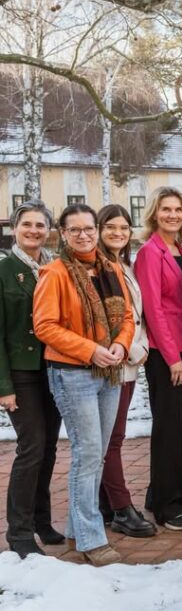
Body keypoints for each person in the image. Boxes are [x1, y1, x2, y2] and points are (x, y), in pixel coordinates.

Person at [33, 203, 135, 565]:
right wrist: (90, 350)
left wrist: (121, 344)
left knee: (98, 452)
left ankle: (77, 529)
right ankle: (92, 539)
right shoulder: (55, 272)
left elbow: (126, 316)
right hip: (73, 373)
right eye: (74, 229)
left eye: (88, 228)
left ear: (97, 229)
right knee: (88, 452)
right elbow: (45, 326)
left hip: (109, 371)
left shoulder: (111, 268)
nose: (83, 235)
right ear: (63, 233)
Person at [0, 200, 62, 558]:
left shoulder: (54, 268)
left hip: (53, 369)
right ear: (15, 228)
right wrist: (4, 387)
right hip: (20, 372)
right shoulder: (5, 269)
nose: (34, 231)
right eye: (27, 224)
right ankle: (19, 532)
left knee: (49, 448)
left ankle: (42, 521)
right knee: (32, 447)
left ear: (48, 230)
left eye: (41, 225)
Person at [135, 187, 182, 531]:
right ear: (154, 214)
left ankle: (165, 492)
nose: (173, 214)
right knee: (168, 430)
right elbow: (153, 309)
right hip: (164, 353)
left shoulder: (180, 250)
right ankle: (167, 507)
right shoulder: (150, 252)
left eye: (177, 209)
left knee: (180, 426)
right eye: (166, 209)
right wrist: (174, 358)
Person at [95, 205, 156, 539]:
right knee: (112, 439)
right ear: (99, 229)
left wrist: (141, 347)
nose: (118, 233)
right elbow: (107, 320)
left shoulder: (125, 266)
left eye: (123, 227)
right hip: (113, 362)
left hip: (131, 361)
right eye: (111, 227)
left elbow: (137, 315)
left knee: (112, 436)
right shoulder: (97, 267)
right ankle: (121, 508)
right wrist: (134, 349)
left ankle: (105, 504)